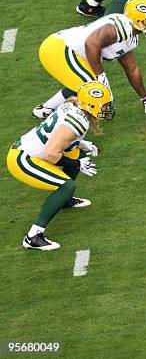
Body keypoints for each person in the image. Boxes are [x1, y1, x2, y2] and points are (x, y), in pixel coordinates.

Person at [7, 81, 115, 250]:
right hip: (23, 159)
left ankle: (63, 201)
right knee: (67, 185)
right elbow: (50, 154)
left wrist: (81, 144)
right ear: (91, 105)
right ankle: (33, 236)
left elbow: (59, 135)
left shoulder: (73, 105)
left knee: (74, 152)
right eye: (104, 105)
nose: (107, 108)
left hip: (31, 149)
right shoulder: (77, 122)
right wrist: (77, 164)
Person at [33, 0, 146, 119]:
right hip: (59, 49)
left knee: (86, 82)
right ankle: (66, 125)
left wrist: (145, 99)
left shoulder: (131, 37)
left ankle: (45, 109)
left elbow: (132, 69)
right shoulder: (120, 28)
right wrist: (100, 74)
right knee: (93, 91)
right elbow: (91, 44)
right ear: (139, 20)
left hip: (69, 51)